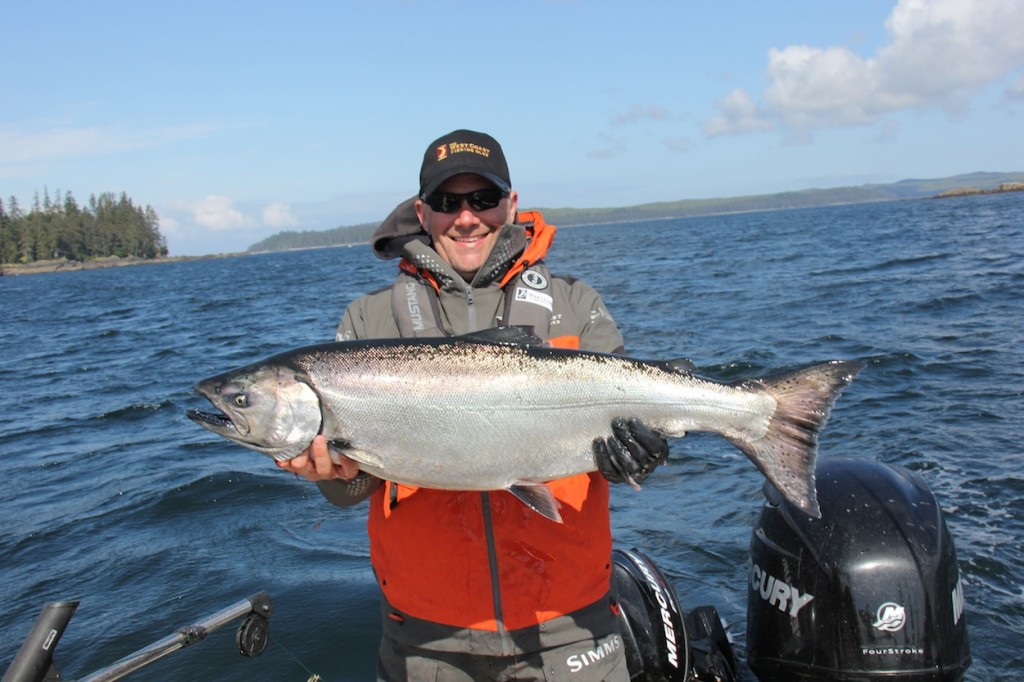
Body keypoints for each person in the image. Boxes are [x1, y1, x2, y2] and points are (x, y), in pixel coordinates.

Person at [279, 130, 671, 681]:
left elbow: (631, 432)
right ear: (422, 212)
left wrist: (640, 454)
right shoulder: (368, 322)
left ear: (510, 204)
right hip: (426, 638)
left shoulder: (575, 303)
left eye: (483, 199)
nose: (467, 217)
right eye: (447, 202)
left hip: (570, 625)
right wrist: (329, 475)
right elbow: (352, 490)